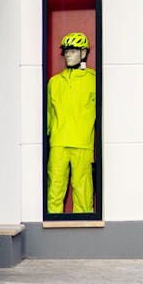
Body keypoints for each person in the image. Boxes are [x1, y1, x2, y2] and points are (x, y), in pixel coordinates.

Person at [47, 32, 98, 214]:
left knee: (83, 190)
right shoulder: (54, 82)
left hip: (82, 143)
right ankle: (52, 230)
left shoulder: (94, 80)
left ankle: (83, 230)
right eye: (66, 51)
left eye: (73, 51)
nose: (68, 55)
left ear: (83, 54)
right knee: (55, 189)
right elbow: (49, 115)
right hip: (58, 143)